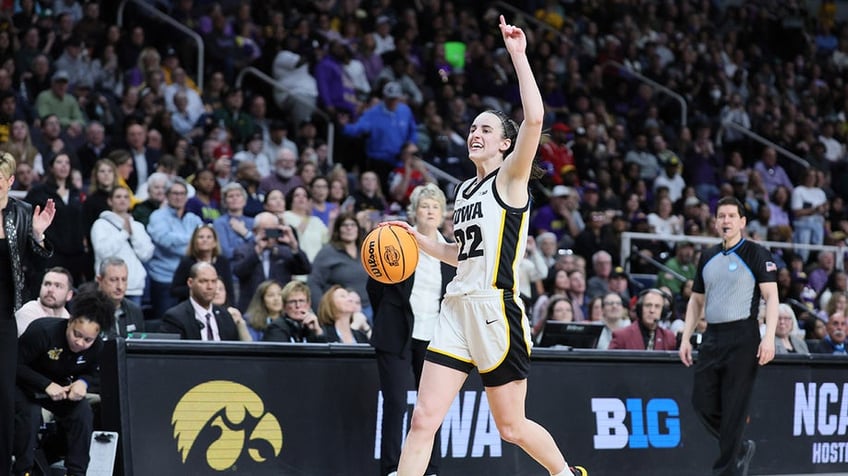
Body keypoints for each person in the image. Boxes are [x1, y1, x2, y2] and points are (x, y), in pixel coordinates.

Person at [387, 17, 584, 476]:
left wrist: (518, 55)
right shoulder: (464, 191)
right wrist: (423, 242)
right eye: (472, 128)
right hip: (456, 307)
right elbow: (465, 255)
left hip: (496, 310)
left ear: (506, 144)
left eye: (486, 129)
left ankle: (565, 474)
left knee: (511, 427)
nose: (475, 133)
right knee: (423, 419)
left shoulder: (511, 179)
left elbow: (535, 118)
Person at [679, 196, 779, 476]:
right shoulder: (708, 256)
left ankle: (727, 472)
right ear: (715, 222)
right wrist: (686, 338)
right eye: (721, 216)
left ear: (742, 222)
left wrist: (768, 337)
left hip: (743, 335)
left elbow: (772, 297)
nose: (726, 221)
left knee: (735, 406)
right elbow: (696, 301)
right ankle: (740, 447)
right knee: (701, 402)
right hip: (712, 336)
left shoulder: (757, 254)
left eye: (731, 216)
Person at [367, 182, 455, 476]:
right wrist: (388, 316)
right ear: (414, 211)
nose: (430, 211)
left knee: (431, 408)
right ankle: (393, 469)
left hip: (434, 337)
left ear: (443, 214)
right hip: (396, 332)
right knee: (394, 403)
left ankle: (430, 469)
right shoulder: (397, 242)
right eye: (424, 206)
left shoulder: (450, 252)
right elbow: (375, 285)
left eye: (436, 207)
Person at [13, 290, 114, 476]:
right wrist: (45, 384)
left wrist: (83, 383)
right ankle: (23, 470)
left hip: (60, 389)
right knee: (31, 414)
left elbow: (94, 373)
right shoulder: (43, 332)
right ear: (70, 321)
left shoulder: (97, 347)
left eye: (88, 339)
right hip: (23, 385)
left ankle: (77, 472)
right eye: (77, 334)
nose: (80, 343)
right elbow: (14, 365)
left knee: (82, 411)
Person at [0, 151, 55, 474]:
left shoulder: (21, 214)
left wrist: (38, 235)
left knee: (4, 396)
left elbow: (35, 265)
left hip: (3, 315)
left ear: (9, 181)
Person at [232, 212, 311, 312]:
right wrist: (257, 251)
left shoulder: (284, 251)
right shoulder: (243, 250)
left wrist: (294, 245)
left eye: (273, 231)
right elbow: (238, 272)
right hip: (251, 309)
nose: (270, 235)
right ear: (255, 231)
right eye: (265, 231)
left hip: (280, 309)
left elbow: (305, 269)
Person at [89, 186, 154, 305]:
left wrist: (132, 235)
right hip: (108, 288)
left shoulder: (138, 226)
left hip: (134, 288)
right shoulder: (100, 224)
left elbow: (146, 254)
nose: (122, 200)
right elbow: (102, 252)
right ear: (110, 201)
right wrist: (124, 234)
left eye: (126, 197)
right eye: (118, 197)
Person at [159, 262, 249, 341]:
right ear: (190, 283)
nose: (210, 287)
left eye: (214, 281)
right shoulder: (175, 317)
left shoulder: (225, 316)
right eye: (203, 281)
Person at [308, 212, 372, 320]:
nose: (349, 228)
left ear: (358, 229)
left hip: (370, 308)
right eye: (345, 225)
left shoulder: (366, 250)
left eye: (353, 225)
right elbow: (314, 283)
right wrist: (322, 312)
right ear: (338, 230)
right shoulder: (327, 253)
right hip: (342, 313)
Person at [170, 224, 234, 304]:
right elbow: (174, 290)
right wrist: (197, 288)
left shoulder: (223, 262)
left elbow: (229, 291)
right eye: (201, 237)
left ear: (215, 242)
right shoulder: (186, 262)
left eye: (209, 237)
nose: (205, 240)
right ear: (194, 242)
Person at [609, 289, 677, 350]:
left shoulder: (669, 338)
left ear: (663, 312)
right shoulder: (622, 336)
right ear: (640, 309)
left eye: (657, 306)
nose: (652, 310)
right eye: (648, 305)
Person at [15, 267, 73, 337]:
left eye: (58, 286)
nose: (50, 290)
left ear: (69, 295)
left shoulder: (68, 318)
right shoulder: (28, 312)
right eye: (47, 284)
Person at [95, 257, 145, 338]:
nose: (120, 286)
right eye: (113, 280)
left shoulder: (135, 311)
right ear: (99, 280)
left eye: (124, 279)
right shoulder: (88, 310)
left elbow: (140, 345)